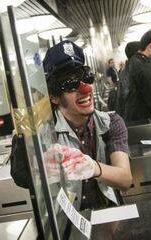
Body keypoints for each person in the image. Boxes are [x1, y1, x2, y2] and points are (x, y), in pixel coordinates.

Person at [42, 40, 132, 214]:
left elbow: (125, 180)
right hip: (67, 221)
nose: (85, 89)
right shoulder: (45, 133)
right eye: (70, 84)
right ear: (54, 97)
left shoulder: (112, 122)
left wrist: (92, 167)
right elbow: (25, 179)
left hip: (108, 213)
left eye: (86, 77)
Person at [116, 41, 141, 118]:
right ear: (137, 53)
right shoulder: (131, 70)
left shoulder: (128, 69)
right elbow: (126, 94)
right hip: (135, 116)